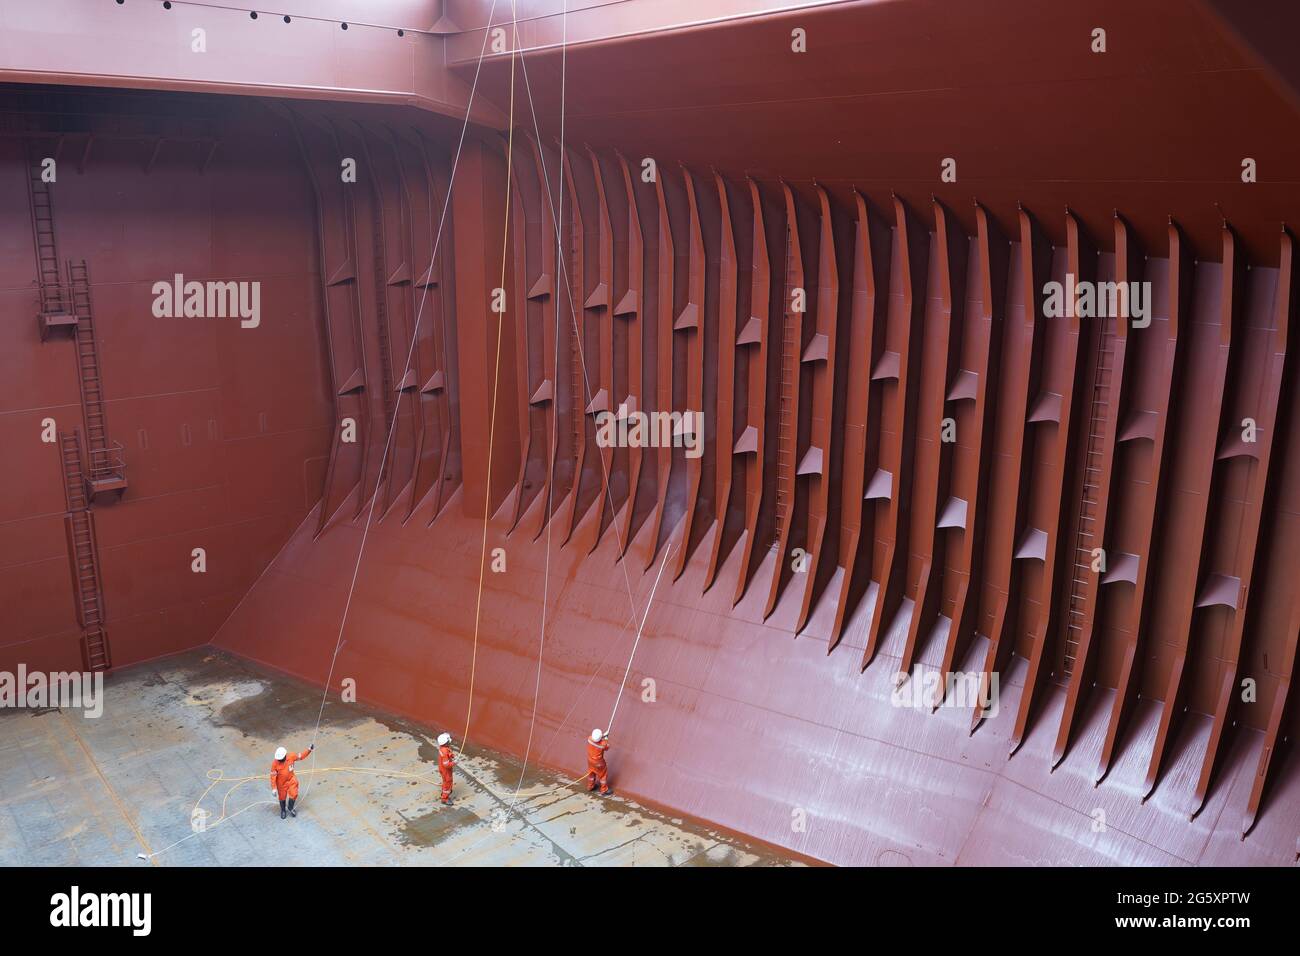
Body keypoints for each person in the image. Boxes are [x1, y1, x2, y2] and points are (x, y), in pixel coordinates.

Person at [270, 743, 314, 819]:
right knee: (282, 797)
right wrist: (274, 788)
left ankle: (290, 807)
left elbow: (301, 756)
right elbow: (273, 776)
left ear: (284, 756)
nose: (279, 760)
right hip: (281, 783)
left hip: (291, 780)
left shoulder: (291, 756)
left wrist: (309, 750)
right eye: (278, 759)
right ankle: (283, 810)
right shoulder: (275, 763)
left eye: (281, 759)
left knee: (294, 793)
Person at [586, 728, 611, 796]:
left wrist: (603, 735)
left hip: (590, 760)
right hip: (599, 763)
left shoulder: (589, 739)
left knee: (591, 773)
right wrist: (606, 738)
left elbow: (596, 739)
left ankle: (590, 786)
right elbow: (607, 747)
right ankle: (604, 790)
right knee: (603, 775)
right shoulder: (603, 744)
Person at [437, 732, 455, 805]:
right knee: (448, 782)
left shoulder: (443, 748)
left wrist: (452, 756)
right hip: (446, 771)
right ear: (446, 742)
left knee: (445, 782)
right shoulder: (444, 751)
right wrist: (454, 763)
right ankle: (445, 798)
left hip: (443, 769)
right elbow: (446, 765)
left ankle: (445, 791)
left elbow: (448, 754)